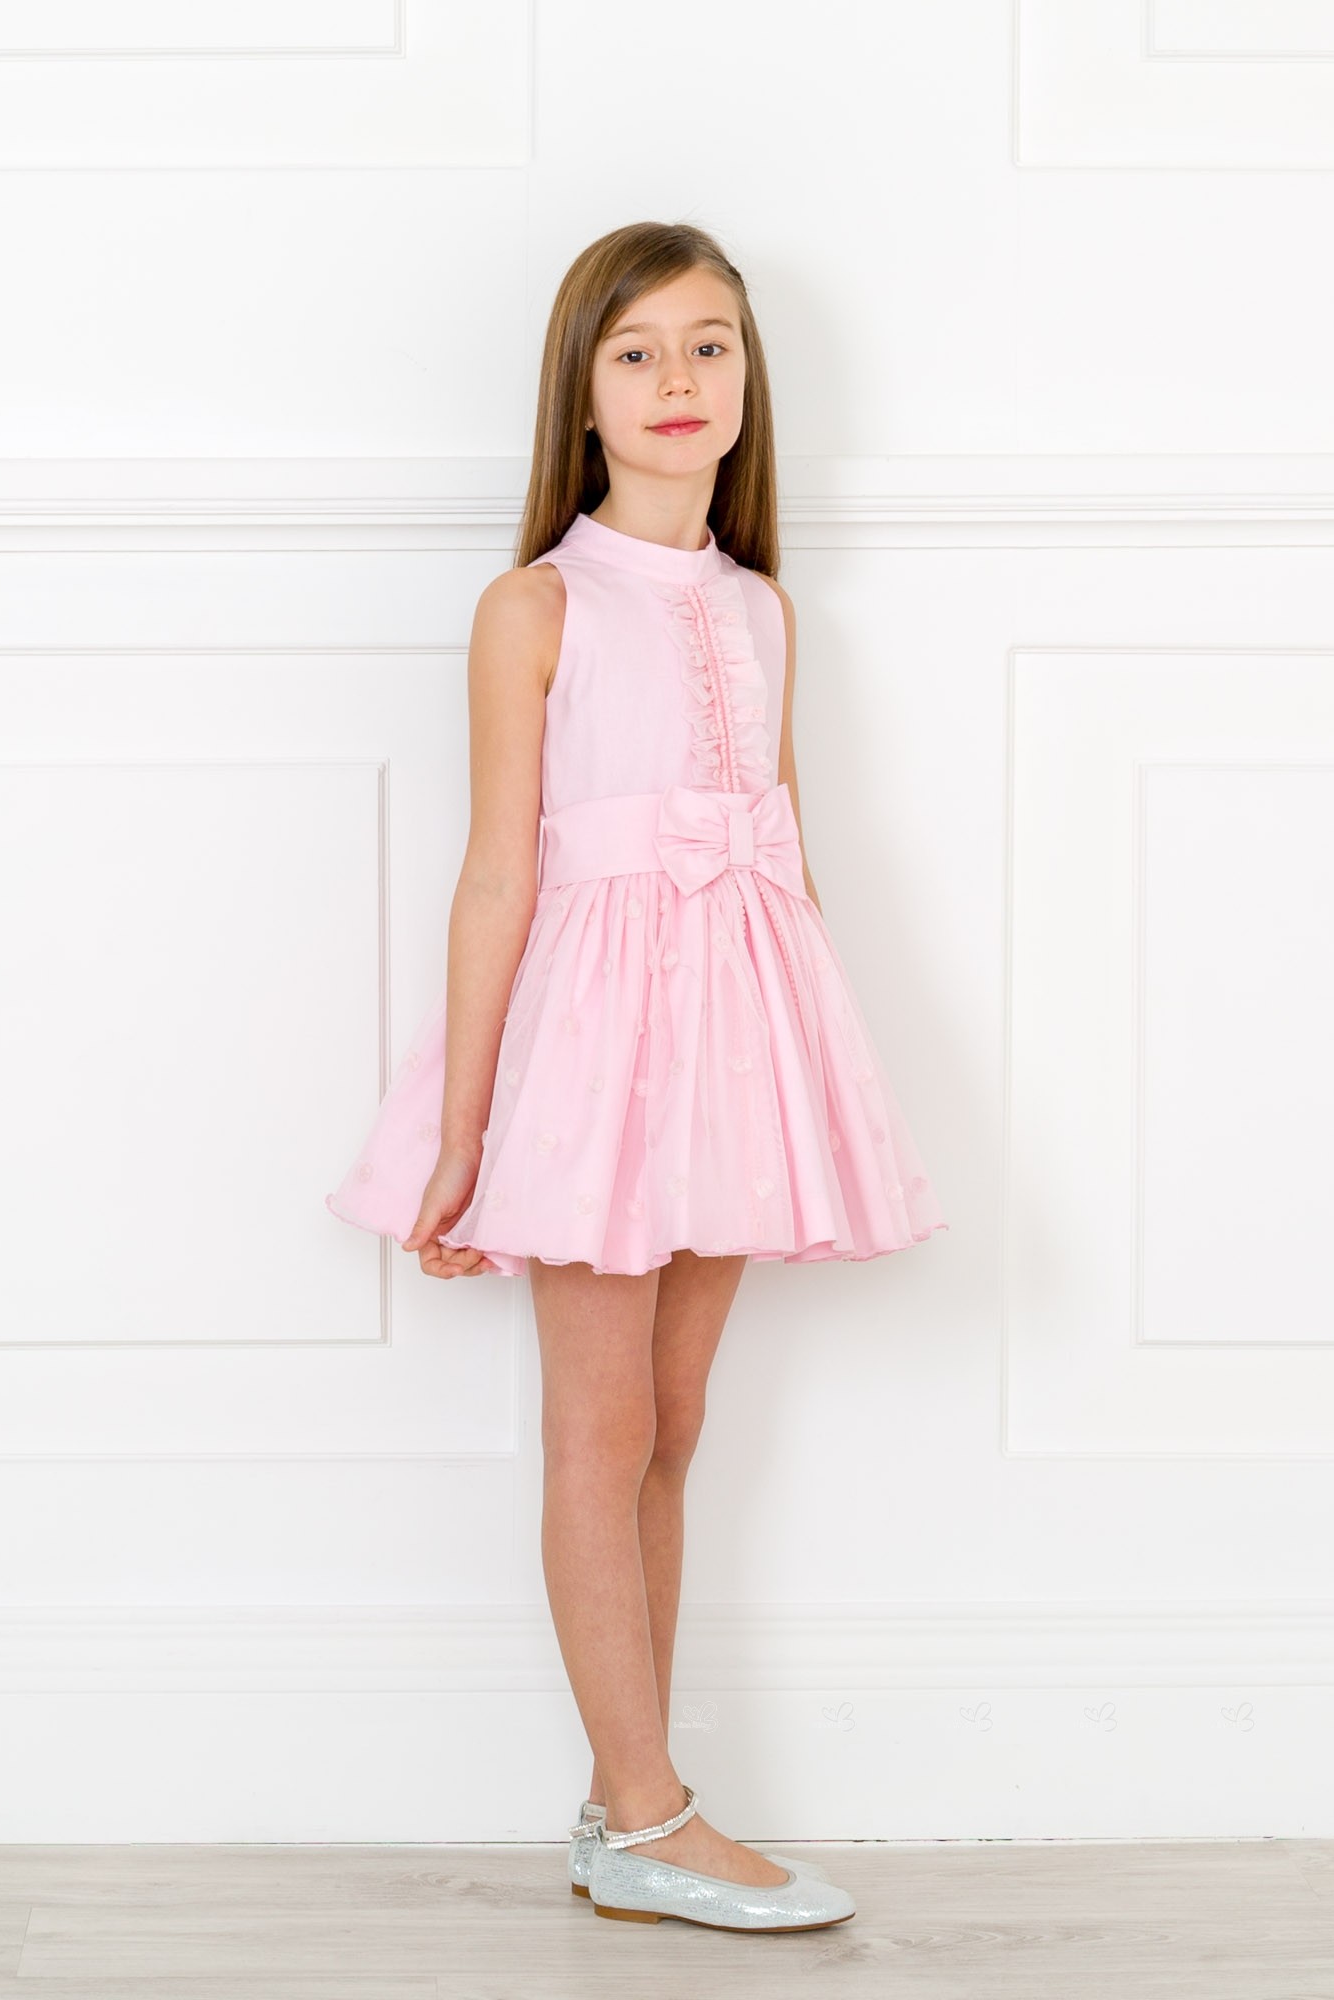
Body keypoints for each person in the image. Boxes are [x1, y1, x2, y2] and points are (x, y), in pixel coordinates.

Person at [325, 220, 947, 1933]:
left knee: (675, 1425)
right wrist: (466, 1134)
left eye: (710, 346)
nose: (679, 379)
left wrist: (816, 1081)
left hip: (739, 1045)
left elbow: (787, 860)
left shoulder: (762, 612)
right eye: (637, 352)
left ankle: (628, 1806)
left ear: (749, 383)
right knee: (598, 1432)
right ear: (583, 396)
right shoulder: (535, 605)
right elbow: (498, 876)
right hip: (596, 1057)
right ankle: (657, 1814)